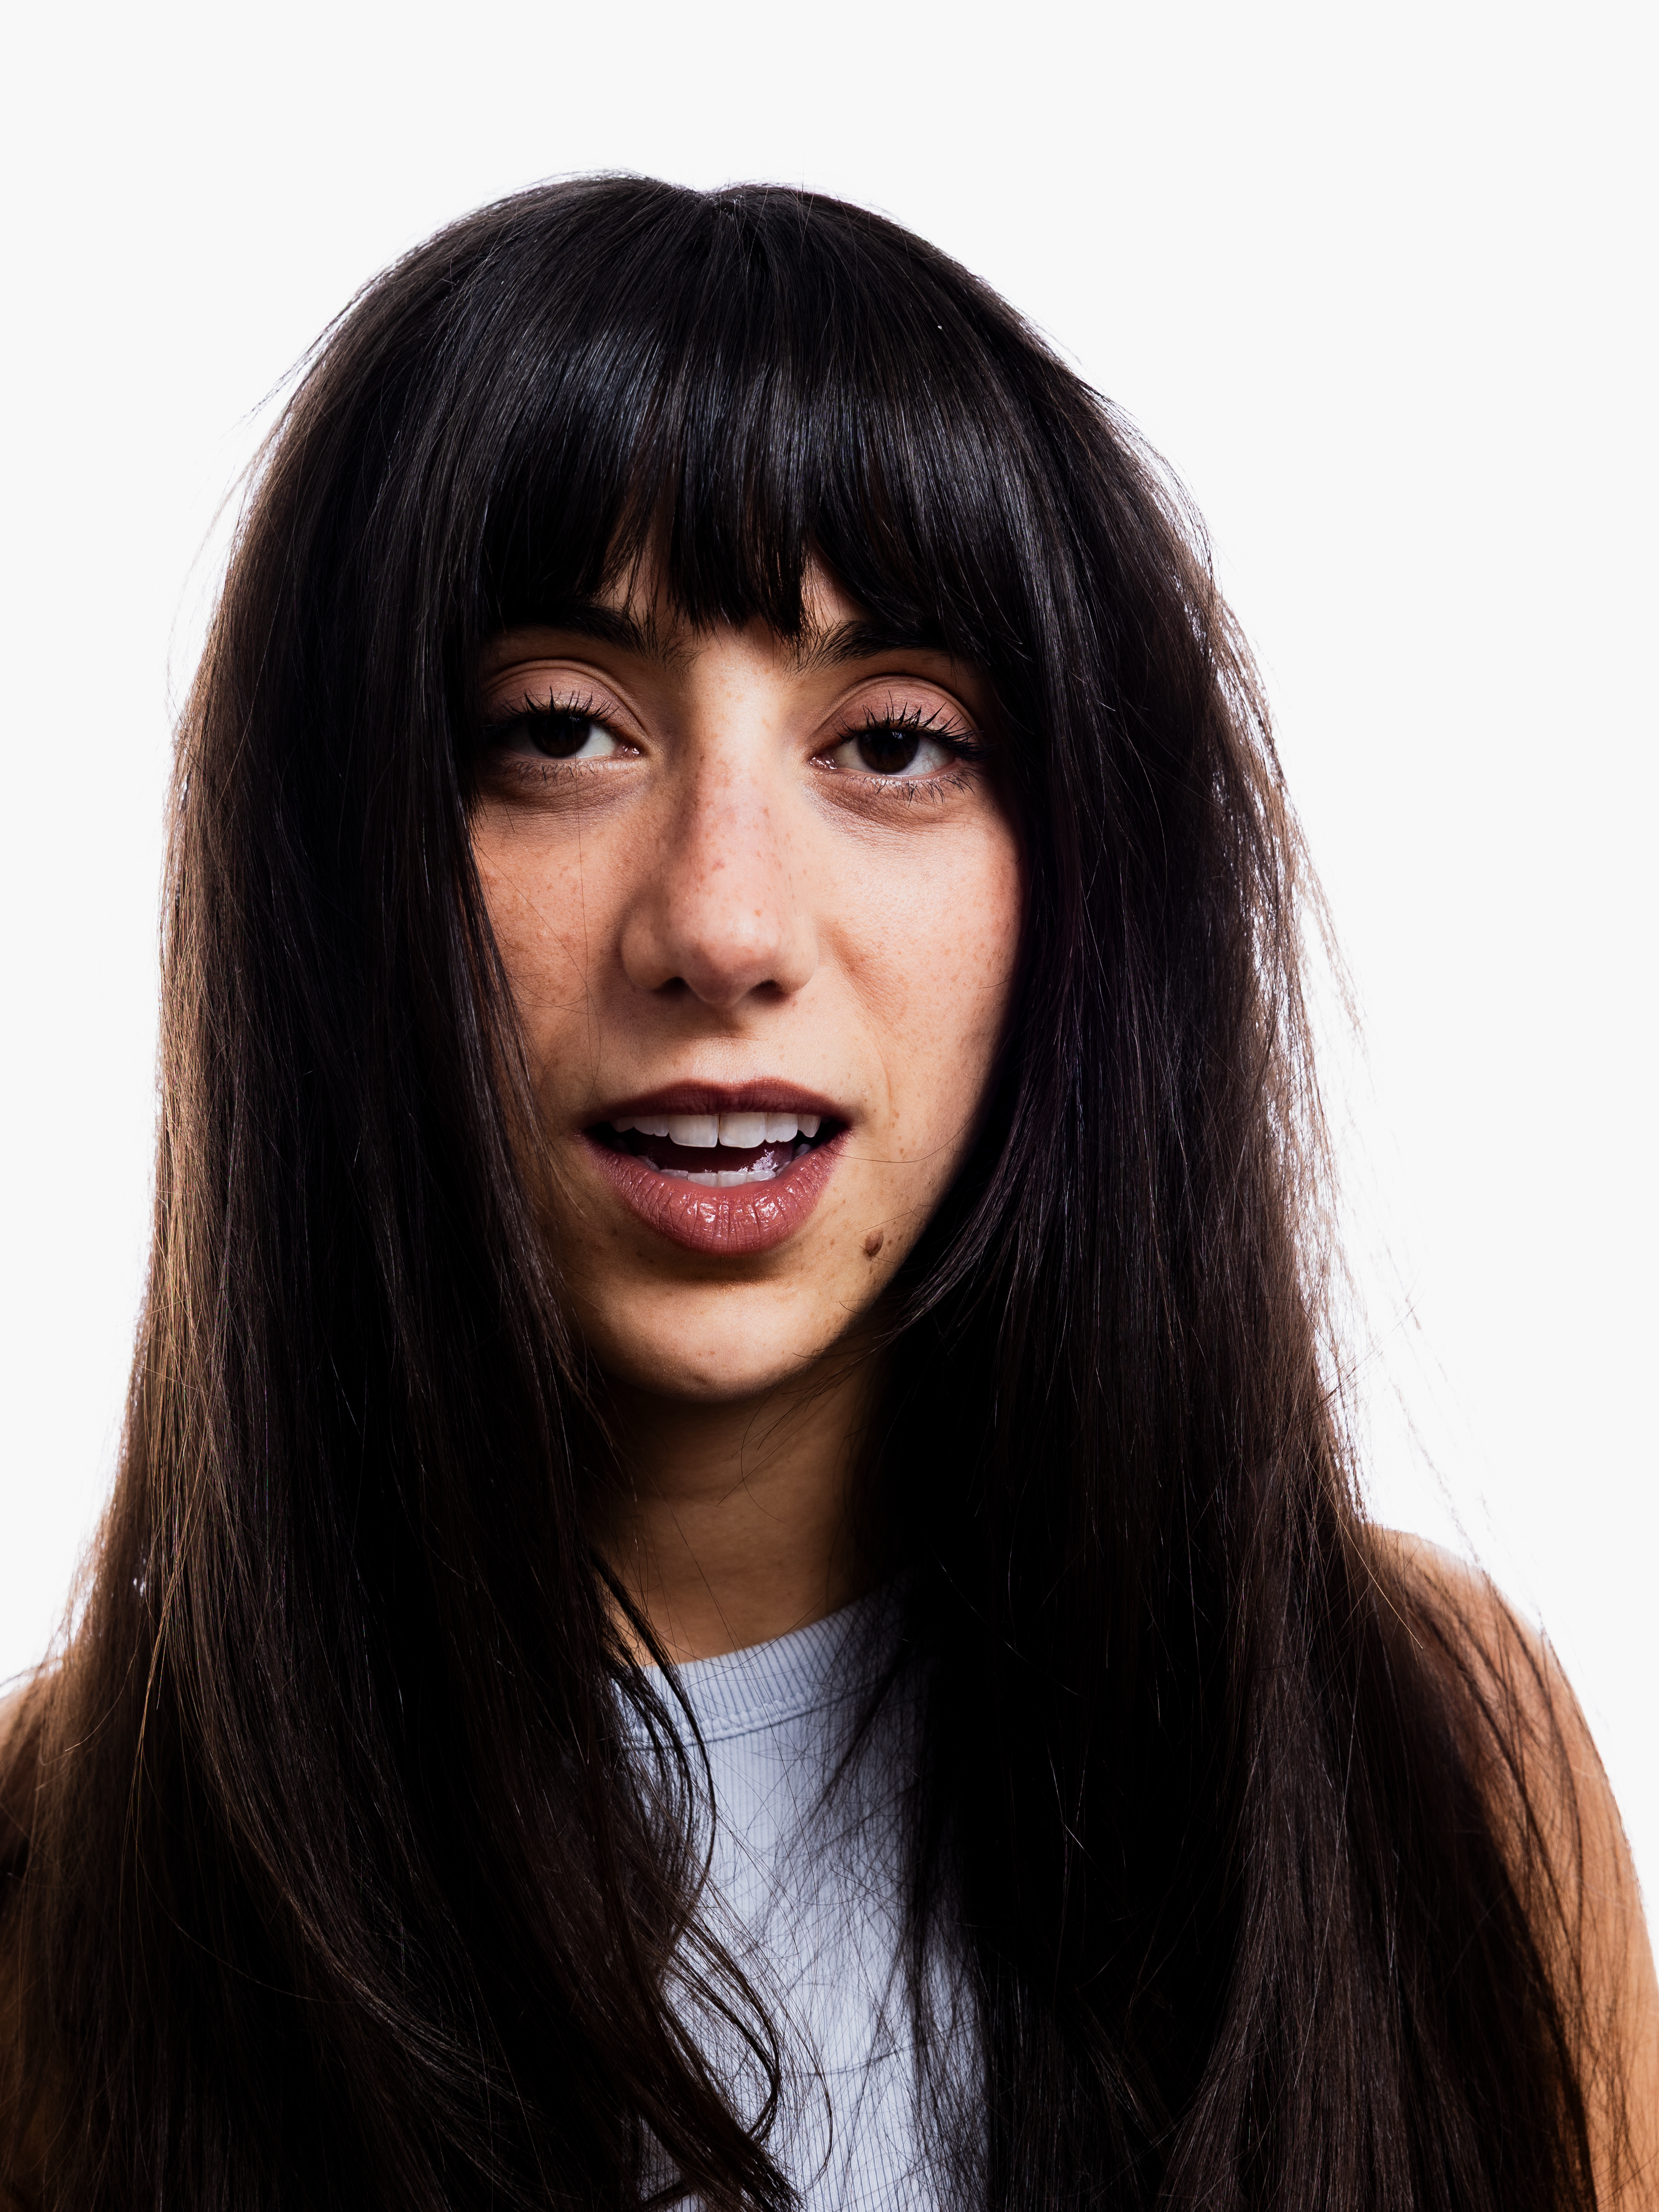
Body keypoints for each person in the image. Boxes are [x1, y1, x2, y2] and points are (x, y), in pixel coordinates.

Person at [0, 175, 1653, 2212]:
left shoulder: (1426, 1763)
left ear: (1074, 889)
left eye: (890, 742)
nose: (723, 921)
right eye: (559, 733)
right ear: (332, 872)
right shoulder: (62, 1869)